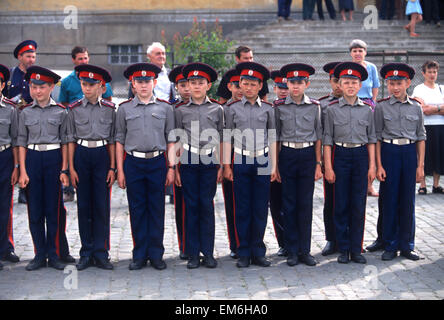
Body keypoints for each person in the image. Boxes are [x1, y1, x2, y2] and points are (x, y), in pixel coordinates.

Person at [116, 63, 175, 271]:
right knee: (137, 209)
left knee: (157, 209)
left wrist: (171, 167)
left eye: (147, 81)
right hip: (133, 162)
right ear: (133, 85)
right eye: (139, 82)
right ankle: (139, 254)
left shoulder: (165, 107)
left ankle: (157, 254)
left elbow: (171, 139)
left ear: (154, 83)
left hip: (158, 162)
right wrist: (120, 170)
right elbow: (119, 140)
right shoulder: (123, 109)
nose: (143, 85)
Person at [223, 61, 278, 268]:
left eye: (253, 84)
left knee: (260, 207)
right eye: (244, 83)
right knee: (243, 207)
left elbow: (273, 138)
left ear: (260, 86)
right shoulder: (232, 109)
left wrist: (274, 166)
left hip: (262, 159)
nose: (248, 87)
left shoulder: (269, 109)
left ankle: (258, 251)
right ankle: (243, 250)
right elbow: (227, 138)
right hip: (241, 158)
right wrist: (227, 166)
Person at [323, 62, 377, 264]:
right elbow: (327, 140)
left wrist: (372, 166)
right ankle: (343, 249)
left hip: (361, 156)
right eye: (346, 82)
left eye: (354, 82)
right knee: (341, 203)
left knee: (358, 203)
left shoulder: (368, 110)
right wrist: (328, 166)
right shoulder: (331, 109)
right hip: (340, 155)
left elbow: (372, 139)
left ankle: (356, 248)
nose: (351, 86)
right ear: (340, 85)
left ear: (360, 84)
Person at [17, 66, 70, 271]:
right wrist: (22, 170)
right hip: (32, 158)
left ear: (50, 88)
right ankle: (39, 253)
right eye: (33, 86)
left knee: (54, 209)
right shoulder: (24, 113)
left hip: (53, 158)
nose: (37, 91)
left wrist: (64, 169)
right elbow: (21, 141)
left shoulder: (61, 111)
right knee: (35, 209)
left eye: (42, 87)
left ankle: (54, 253)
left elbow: (66, 141)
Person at [174, 62, 224, 269]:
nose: (195, 86)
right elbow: (176, 139)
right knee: (191, 206)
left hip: (209, 159)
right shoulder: (180, 110)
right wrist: (175, 167)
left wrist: (222, 165)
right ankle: (193, 253)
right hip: (188, 159)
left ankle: (209, 252)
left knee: (206, 205)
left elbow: (222, 137)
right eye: (192, 82)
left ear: (208, 85)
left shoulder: (217, 108)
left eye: (200, 83)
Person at [66, 65, 116, 271]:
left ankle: (101, 252)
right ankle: (86, 252)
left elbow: (113, 139)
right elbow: (69, 139)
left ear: (101, 87)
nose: (87, 88)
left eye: (91, 85)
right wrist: (70, 168)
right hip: (82, 155)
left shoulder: (111, 110)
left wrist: (113, 167)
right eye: (84, 84)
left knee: (101, 206)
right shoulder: (74, 109)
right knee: (84, 206)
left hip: (102, 155)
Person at [375, 63, 426, 261]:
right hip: (389, 152)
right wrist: (379, 165)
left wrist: (420, 166)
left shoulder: (416, 107)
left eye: (399, 83)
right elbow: (377, 137)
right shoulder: (381, 106)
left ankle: (407, 245)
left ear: (408, 83)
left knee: (407, 201)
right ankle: (390, 244)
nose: (395, 87)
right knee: (389, 200)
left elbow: (421, 137)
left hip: (409, 152)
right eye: (391, 83)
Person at [275, 63, 323, 267]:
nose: (295, 86)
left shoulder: (315, 106)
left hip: (307, 155)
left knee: (305, 203)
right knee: (289, 204)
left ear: (307, 84)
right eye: (292, 82)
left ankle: (305, 250)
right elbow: (275, 137)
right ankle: (292, 250)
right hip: (286, 154)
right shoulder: (278, 106)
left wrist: (319, 163)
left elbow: (319, 135)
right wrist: (275, 166)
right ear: (287, 83)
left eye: (300, 83)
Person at [3, 40, 37, 205]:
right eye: (28, 56)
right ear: (20, 57)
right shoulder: (10, 75)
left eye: (33, 56)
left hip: (31, 121)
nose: (31, 60)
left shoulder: (36, 75)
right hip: (11, 120)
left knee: (28, 154)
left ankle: (26, 189)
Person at [349, 39, 380, 197]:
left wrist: (372, 103)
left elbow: (375, 86)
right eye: (354, 51)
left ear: (365, 52)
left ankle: (369, 185)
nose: (357, 53)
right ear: (350, 53)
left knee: (370, 143)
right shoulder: (347, 68)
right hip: (351, 105)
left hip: (367, 106)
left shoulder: (372, 67)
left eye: (360, 50)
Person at [217, 68, 243, 259]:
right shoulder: (223, 110)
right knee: (232, 203)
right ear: (229, 87)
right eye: (235, 85)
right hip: (231, 157)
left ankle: (251, 242)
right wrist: (222, 165)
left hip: (252, 155)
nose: (240, 89)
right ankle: (235, 243)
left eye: (242, 84)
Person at [319, 61, 342, 256]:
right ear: (330, 81)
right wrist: (321, 163)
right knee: (331, 199)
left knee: (351, 199)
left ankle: (348, 238)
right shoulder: (322, 104)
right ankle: (331, 239)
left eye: (342, 81)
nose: (339, 85)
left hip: (351, 152)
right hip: (330, 155)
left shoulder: (363, 104)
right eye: (335, 81)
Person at [168, 64, 191, 260]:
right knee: (181, 205)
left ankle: (201, 244)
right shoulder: (172, 109)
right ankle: (184, 244)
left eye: (188, 84)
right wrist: (173, 166)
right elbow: (171, 139)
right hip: (180, 162)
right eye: (181, 85)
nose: (185, 88)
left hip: (201, 160)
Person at [412, 61, 444, 195]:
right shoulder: (419, 89)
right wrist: (439, 108)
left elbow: (429, 108)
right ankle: (423, 185)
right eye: (429, 72)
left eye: (434, 72)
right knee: (424, 156)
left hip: (441, 126)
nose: (432, 74)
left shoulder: (442, 88)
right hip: (424, 126)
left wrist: (433, 108)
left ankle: (436, 184)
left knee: (439, 154)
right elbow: (422, 109)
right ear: (423, 73)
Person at [0, 65, 20, 269]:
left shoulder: (10, 109)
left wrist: (16, 166)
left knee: (5, 205)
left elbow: (15, 139)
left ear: (3, 85)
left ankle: (5, 247)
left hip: (4, 157)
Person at [269, 70, 289, 257]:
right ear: (274, 89)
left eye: (286, 87)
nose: (283, 91)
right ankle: (283, 241)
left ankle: (294, 240)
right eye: (280, 88)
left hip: (292, 158)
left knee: (292, 202)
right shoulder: (270, 108)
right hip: (273, 160)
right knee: (276, 203)